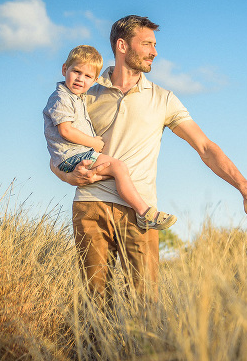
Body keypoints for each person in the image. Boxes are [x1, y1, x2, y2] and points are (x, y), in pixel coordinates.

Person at [51, 15, 247, 297]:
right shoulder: (85, 93)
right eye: (146, 44)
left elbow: (205, 147)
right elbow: (55, 149)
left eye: (154, 44)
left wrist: (246, 188)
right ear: (122, 46)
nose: (154, 52)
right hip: (90, 206)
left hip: (142, 212)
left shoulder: (163, 98)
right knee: (95, 305)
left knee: (145, 304)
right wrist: (68, 175)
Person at [43, 45, 177, 231]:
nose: (80, 79)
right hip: (73, 156)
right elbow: (65, 131)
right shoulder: (61, 98)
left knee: (112, 171)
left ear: (96, 80)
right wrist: (94, 143)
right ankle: (145, 212)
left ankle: (139, 210)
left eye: (88, 76)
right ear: (65, 69)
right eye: (76, 72)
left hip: (72, 157)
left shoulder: (78, 97)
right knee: (119, 167)